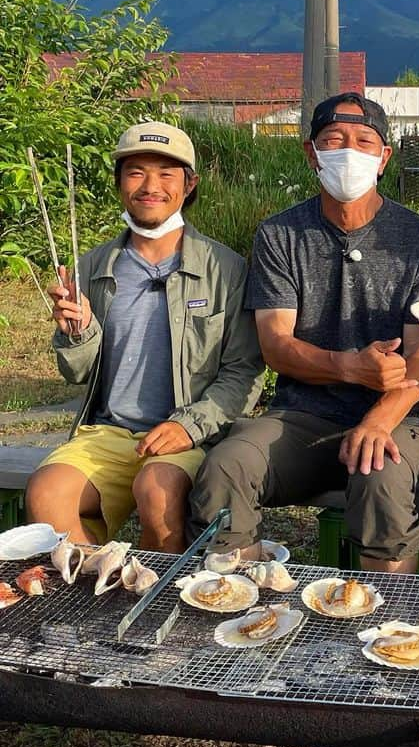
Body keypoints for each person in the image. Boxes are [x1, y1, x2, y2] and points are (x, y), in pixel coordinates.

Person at [189, 93, 419, 573]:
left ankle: (390, 632)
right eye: (333, 140)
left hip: (398, 415)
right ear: (310, 152)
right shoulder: (280, 235)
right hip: (301, 415)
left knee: (382, 477)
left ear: (384, 156)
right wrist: (350, 367)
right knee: (228, 465)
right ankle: (236, 617)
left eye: (364, 141)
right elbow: (276, 345)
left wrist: (378, 419)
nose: (349, 152)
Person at [27, 122, 263, 552]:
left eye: (166, 173)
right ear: (119, 182)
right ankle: (99, 595)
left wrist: (187, 425)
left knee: (157, 494)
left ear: (189, 185)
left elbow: (243, 371)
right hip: (108, 433)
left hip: (188, 434)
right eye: (136, 172)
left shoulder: (226, 270)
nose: (150, 186)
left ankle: (155, 603)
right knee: (46, 494)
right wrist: (76, 332)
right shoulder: (94, 266)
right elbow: (77, 374)